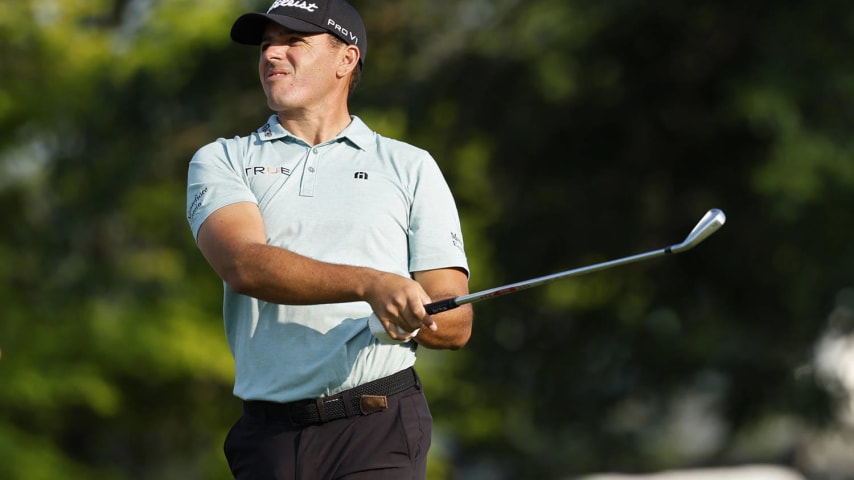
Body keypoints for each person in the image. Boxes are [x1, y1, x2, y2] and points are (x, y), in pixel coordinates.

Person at [185, 0, 473, 478]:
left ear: (346, 59)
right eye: (266, 44)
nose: (273, 54)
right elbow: (243, 265)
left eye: (293, 41)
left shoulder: (411, 166)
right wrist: (372, 285)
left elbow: (455, 319)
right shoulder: (221, 160)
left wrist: (417, 316)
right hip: (269, 437)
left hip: (379, 424)